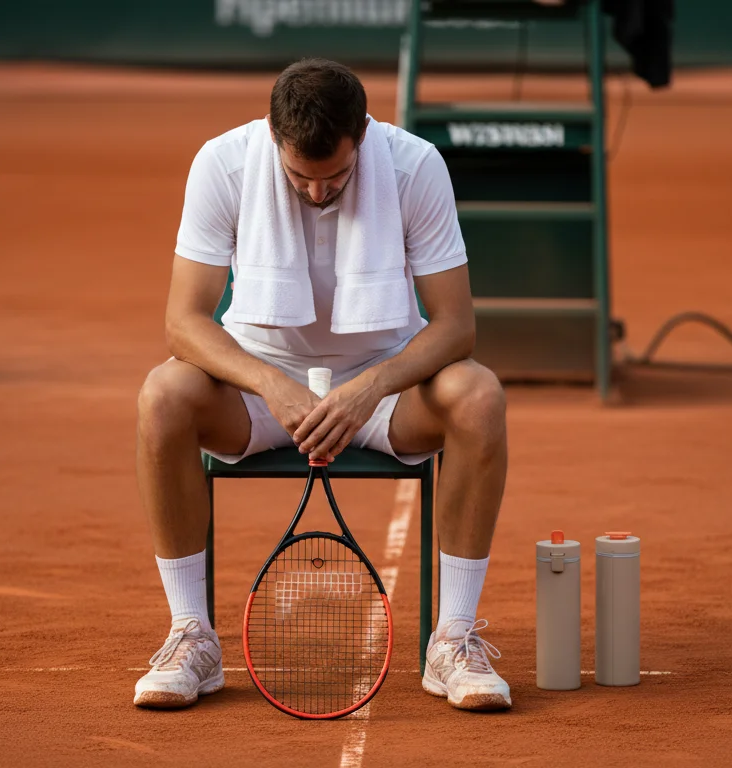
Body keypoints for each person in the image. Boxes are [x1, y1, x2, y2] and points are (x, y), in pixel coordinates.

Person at [134, 58, 510, 712]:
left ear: (362, 134)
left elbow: (456, 327)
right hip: (258, 391)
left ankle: (453, 639)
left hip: (385, 393)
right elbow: (182, 322)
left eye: (333, 176)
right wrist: (268, 384)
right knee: (162, 397)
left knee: (479, 397)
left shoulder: (415, 167)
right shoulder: (221, 164)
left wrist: (371, 386)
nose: (315, 193)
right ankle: (191, 633)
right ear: (273, 139)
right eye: (298, 177)